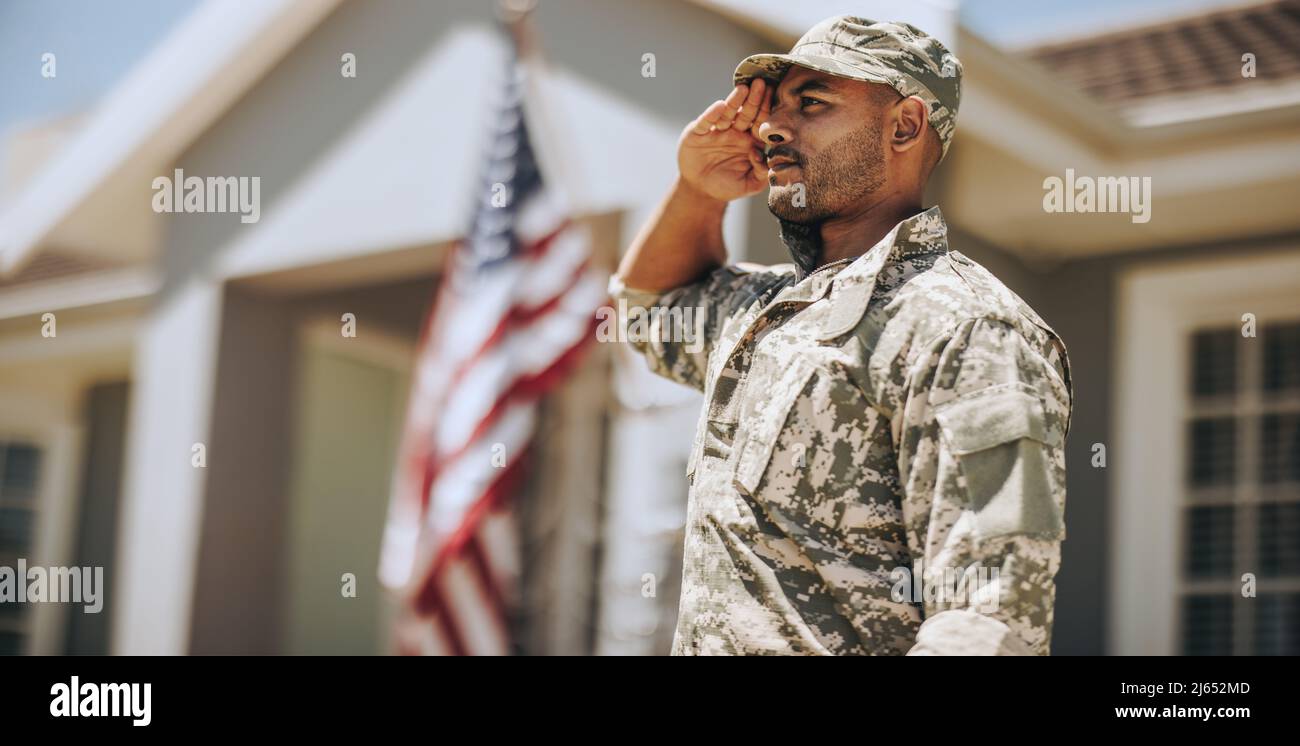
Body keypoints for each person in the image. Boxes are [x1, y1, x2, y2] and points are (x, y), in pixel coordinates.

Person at [609, 15, 1074, 655]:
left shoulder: (968, 329)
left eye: (812, 103)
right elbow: (650, 312)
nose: (771, 125)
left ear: (905, 125)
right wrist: (697, 190)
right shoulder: (767, 308)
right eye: (771, 107)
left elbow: (988, 619)